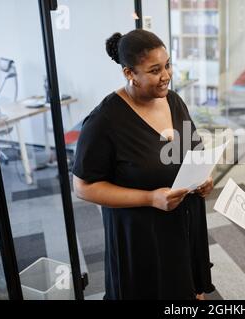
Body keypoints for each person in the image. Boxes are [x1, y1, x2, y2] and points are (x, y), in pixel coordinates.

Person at [72, 29, 215, 300]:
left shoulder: (173, 101)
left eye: (168, 65)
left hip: (182, 221)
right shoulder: (105, 120)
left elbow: (194, 151)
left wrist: (203, 179)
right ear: (129, 73)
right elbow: (84, 187)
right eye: (154, 70)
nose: (166, 76)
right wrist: (149, 198)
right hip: (140, 232)